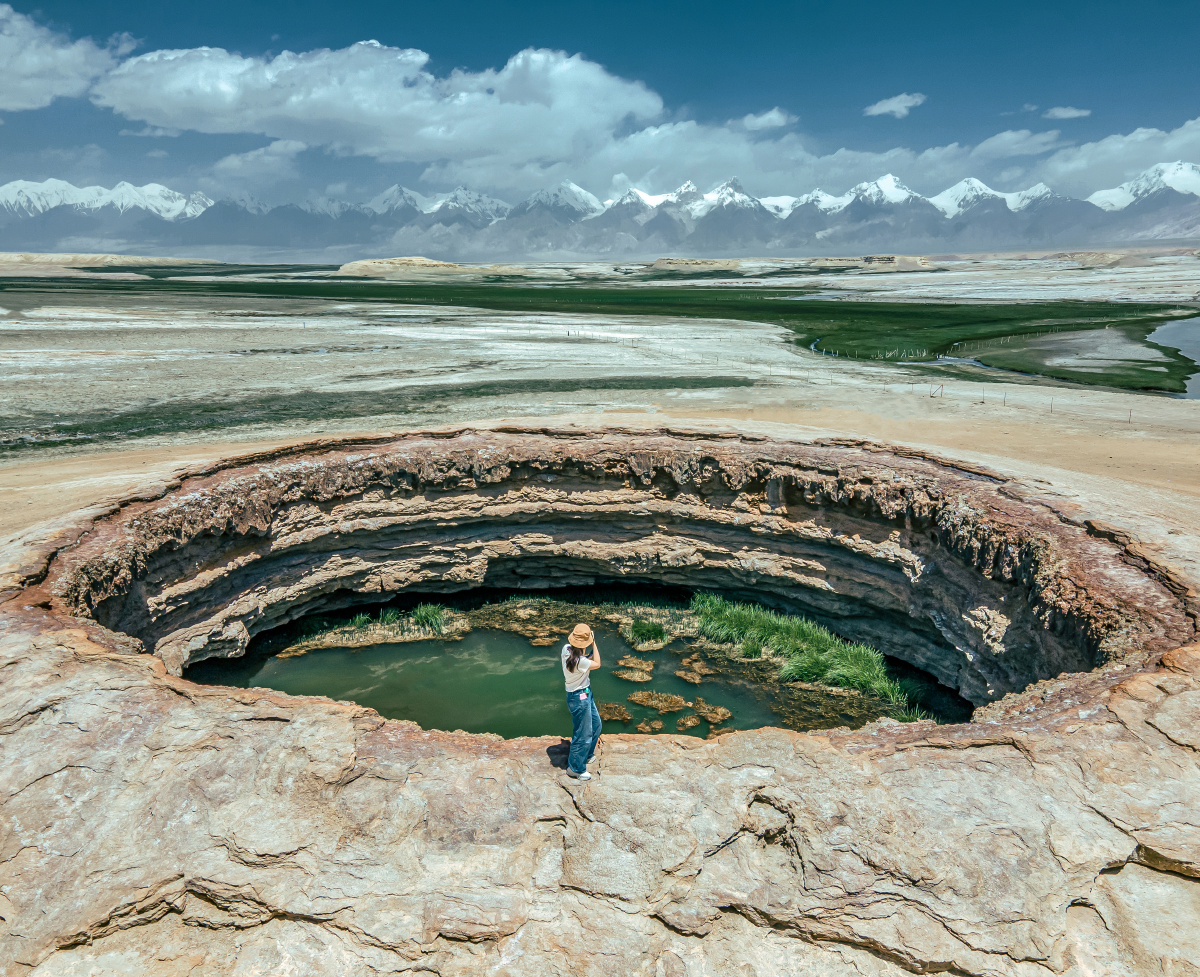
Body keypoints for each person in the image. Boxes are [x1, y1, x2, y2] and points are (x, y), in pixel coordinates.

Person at [562, 622, 602, 780]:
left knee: (596, 724)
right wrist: (594, 642)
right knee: (583, 733)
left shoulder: (566, 649)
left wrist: (586, 651)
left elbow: (582, 658)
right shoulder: (581, 661)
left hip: (583, 694)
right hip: (580, 698)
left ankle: (585, 755)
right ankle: (575, 769)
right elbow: (597, 664)